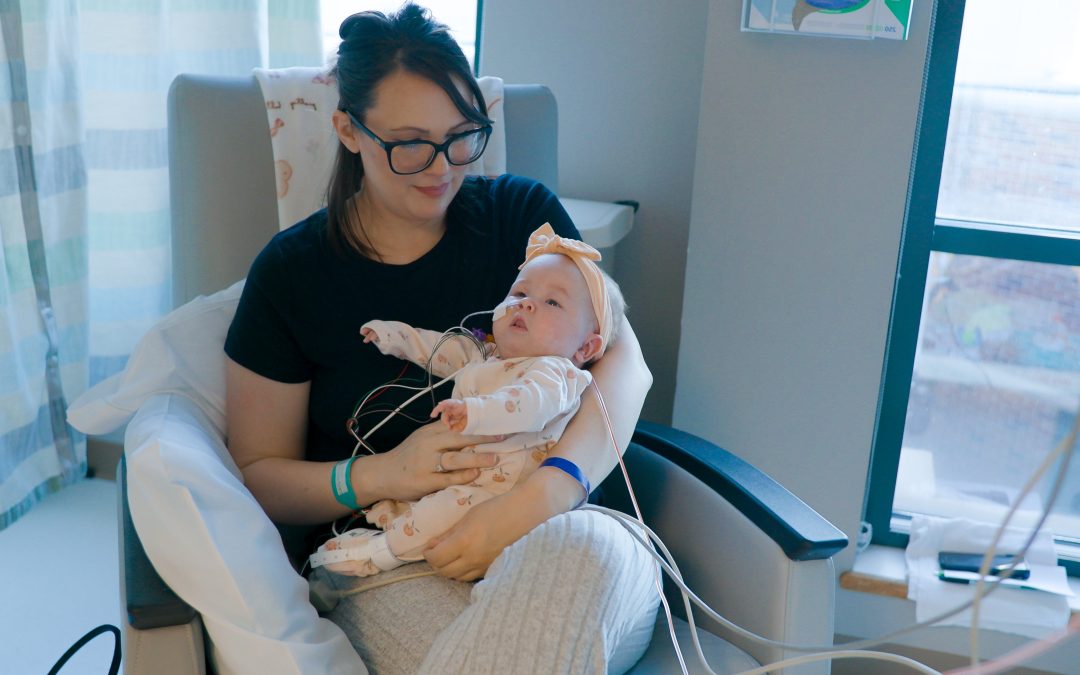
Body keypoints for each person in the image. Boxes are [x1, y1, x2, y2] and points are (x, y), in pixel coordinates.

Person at [224, 4, 658, 673]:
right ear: (348, 129)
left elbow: (625, 361)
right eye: (409, 142)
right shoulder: (292, 274)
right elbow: (258, 474)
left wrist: (543, 494)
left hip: (568, 534)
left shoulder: (521, 218)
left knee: (580, 560)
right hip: (396, 562)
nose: (442, 167)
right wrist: (379, 473)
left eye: (462, 136)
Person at [309, 224, 627, 578]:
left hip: (500, 494)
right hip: (468, 476)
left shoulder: (556, 374)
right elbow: (442, 351)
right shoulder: (488, 355)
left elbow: (527, 405)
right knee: (429, 497)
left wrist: (473, 412)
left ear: (585, 347)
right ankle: (391, 519)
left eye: (552, 302)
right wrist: (397, 337)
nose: (526, 303)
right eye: (519, 292)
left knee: (441, 516)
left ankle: (379, 554)